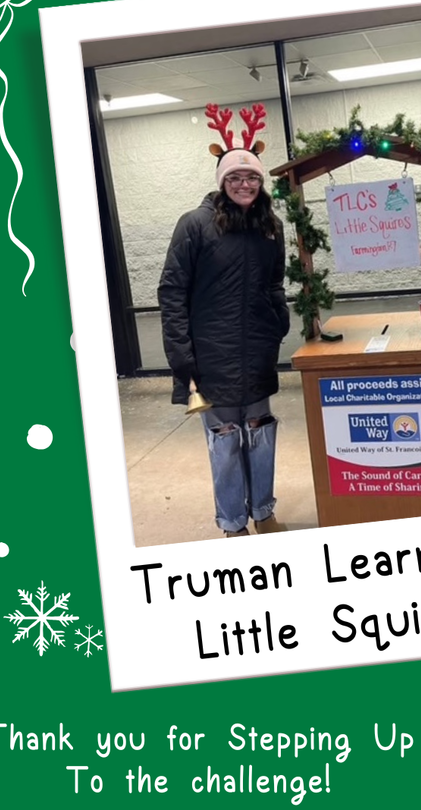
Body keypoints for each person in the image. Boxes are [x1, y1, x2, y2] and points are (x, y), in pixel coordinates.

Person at [158, 104, 290, 536]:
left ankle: (264, 511)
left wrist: (278, 322)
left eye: (251, 177)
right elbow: (172, 292)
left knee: (260, 435)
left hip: (256, 353)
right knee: (226, 441)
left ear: (261, 182)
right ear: (222, 182)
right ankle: (233, 522)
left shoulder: (270, 226)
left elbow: (274, 283)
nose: (244, 184)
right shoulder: (194, 226)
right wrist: (182, 357)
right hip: (210, 360)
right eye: (235, 177)